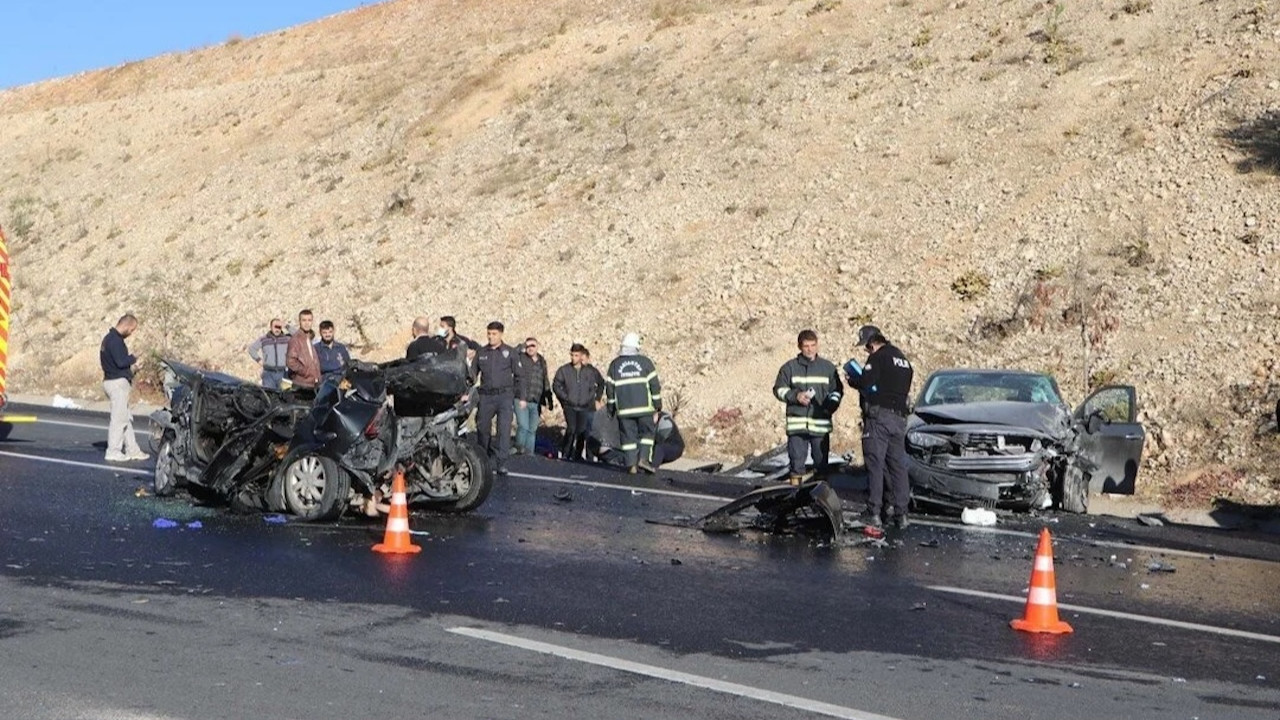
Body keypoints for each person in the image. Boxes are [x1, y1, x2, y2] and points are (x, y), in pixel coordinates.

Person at [846, 324, 914, 529]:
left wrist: (852, 380)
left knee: (875, 463)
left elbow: (866, 381)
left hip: (879, 417)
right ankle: (901, 513)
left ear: (871, 343)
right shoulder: (903, 359)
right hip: (899, 418)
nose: (867, 351)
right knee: (897, 466)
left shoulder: (878, 357)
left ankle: (873, 511)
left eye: (866, 348)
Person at [773, 330, 843, 485]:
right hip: (797, 426)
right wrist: (795, 396)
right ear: (800, 347)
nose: (810, 349)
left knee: (821, 467)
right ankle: (794, 498)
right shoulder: (789, 368)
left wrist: (830, 406)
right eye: (806, 346)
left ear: (817, 345)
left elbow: (837, 391)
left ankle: (820, 500)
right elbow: (778, 389)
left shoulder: (828, 368)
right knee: (796, 467)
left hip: (820, 426)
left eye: (813, 345)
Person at [605, 332, 662, 474]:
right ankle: (643, 459)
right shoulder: (645, 363)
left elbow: (610, 389)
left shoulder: (615, 365)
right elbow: (654, 385)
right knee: (647, 434)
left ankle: (631, 465)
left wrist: (611, 408)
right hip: (644, 409)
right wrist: (657, 405)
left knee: (628, 438)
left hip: (624, 411)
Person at [99, 314, 147, 462]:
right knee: (119, 420)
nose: (131, 333)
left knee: (125, 418)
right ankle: (113, 451)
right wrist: (133, 358)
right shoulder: (115, 341)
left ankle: (133, 450)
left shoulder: (109, 339)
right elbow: (120, 362)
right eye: (132, 329)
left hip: (112, 381)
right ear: (126, 325)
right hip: (117, 383)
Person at [474, 321, 518, 474]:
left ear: (501, 334)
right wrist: (466, 392)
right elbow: (473, 374)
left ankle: (501, 462)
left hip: (504, 396)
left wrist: (519, 397)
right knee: (482, 428)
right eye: (489, 334)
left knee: (504, 429)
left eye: (494, 334)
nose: (491, 337)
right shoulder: (482, 352)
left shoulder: (509, 352)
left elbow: (519, 376)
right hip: (486, 396)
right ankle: (484, 458)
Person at [552, 343, 605, 461]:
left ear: (581, 356)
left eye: (576, 355)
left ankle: (577, 455)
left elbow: (598, 384)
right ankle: (566, 453)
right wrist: (565, 398)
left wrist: (593, 398)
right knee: (571, 429)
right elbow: (556, 385)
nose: (573, 358)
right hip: (570, 406)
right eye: (572, 355)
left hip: (584, 406)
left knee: (581, 432)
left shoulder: (590, 372)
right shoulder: (564, 370)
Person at [513, 337, 552, 456]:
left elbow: (545, 379)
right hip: (521, 398)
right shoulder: (521, 358)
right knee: (523, 426)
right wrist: (522, 345)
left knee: (532, 429)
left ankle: (529, 453)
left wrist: (549, 399)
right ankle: (519, 449)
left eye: (533, 346)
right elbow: (512, 353)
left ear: (537, 346)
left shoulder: (541, 361)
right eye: (528, 346)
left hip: (536, 400)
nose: (530, 348)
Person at [247, 318, 291, 389]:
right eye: (275, 327)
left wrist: (286, 325)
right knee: (270, 395)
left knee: (285, 396)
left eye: (279, 327)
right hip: (268, 374)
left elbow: (299, 336)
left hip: (283, 373)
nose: (277, 329)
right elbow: (252, 349)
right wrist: (258, 360)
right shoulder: (264, 339)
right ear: (270, 327)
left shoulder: (286, 339)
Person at [285, 309, 321, 390]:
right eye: (304, 320)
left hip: (313, 383)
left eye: (309, 320)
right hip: (302, 384)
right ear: (299, 322)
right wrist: (305, 371)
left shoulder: (308, 338)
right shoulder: (296, 339)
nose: (307, 323)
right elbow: (290, 361)